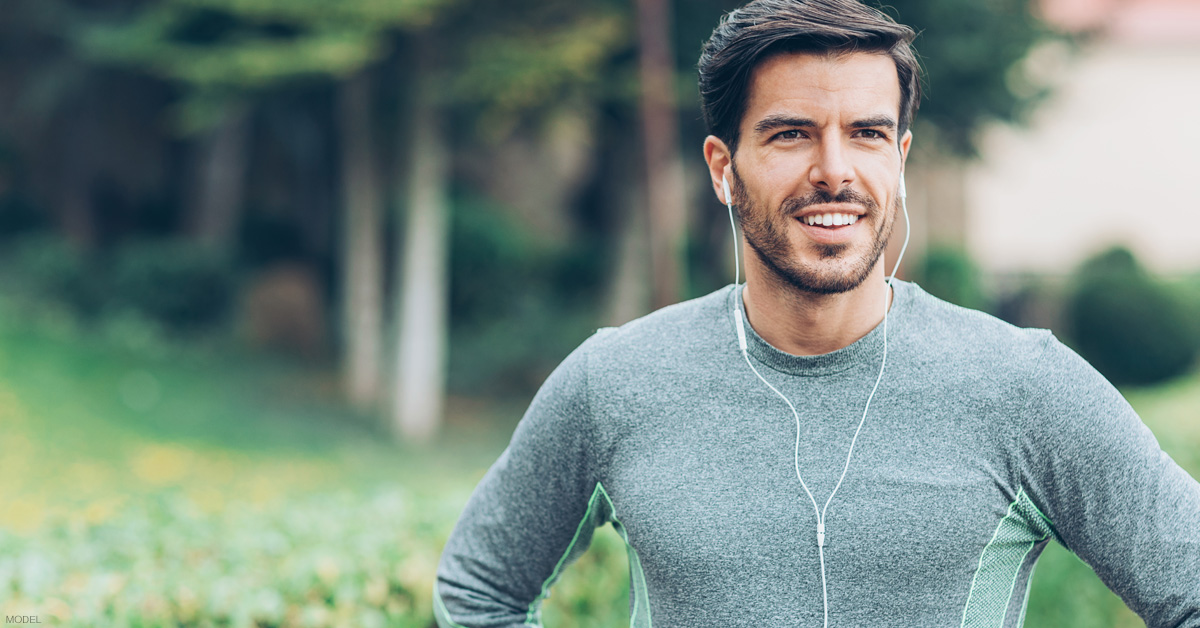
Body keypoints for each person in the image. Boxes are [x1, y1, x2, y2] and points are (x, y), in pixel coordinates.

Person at [433, 0, 1200, 626]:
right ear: (724, 169)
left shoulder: (1024, 386)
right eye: (791, 133)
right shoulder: (616, 381)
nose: (834, 170)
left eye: (866, 134)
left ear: (897, 159)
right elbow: (478, 592)